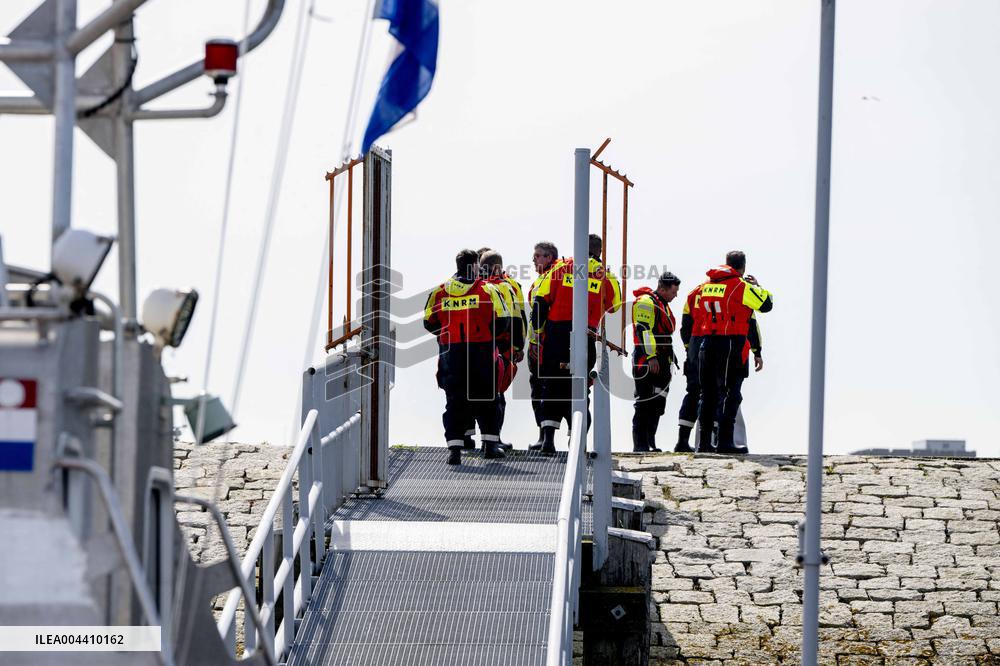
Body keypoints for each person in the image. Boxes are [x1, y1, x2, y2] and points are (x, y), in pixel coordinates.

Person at [531, 234, 621, 454]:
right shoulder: (605, 275)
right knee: (580, 389)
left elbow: (540, 301)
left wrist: (540, 333)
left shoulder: (561, 268)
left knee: (552, 386)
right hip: (586, 333)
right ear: (599, 251)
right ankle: (576, 442)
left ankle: (548, 442)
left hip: (556, 333)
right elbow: (615, 305)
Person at [423, 249, 510, 465]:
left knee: (455, 401)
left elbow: (428, 322)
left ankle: (454, 449)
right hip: (481, 351)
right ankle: (490, 446)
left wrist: (448, 333)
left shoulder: (440, 291)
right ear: (474, 266)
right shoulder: (487, 289)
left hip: (451, 353)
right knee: (487, 398)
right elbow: (503, 320)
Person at [695, 250, 773, 455]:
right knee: (731, 393)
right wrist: (756, 286)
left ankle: (704, 443)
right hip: (730, 343)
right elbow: (766, 304)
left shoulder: (706, 286)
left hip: (707, 342)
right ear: (743, 267)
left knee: (708, 393)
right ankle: (725, 441)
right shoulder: (741, 286)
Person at [479, 249, 526, 450]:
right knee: (497, 394)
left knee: (476, 392)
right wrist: (518, 346)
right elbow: (519, 318)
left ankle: (471, 440)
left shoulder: (476, 286)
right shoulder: (509, 287)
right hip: (502, 346)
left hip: (476, 345)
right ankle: (493, 439)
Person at [631, 272, 681, 452]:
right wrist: (651, 357)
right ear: (662, 288)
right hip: (647, 359)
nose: (676, 296)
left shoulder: (663, 305)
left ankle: (651, 442)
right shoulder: (646, 302)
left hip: (663, 359)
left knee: (658, 403)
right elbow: (643, 330)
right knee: (644, 402)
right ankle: (640, 445)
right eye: (674, 292)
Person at [526, 241, 562, 449]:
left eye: (538, 255)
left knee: (546, 390)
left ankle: (546, 438)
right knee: (538, 391)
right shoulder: (542, 279)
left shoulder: (552, 278)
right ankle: (543, 436)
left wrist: (538, 340)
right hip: (537, 343)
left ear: (549, 258)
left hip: (546, 344)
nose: (533, 260)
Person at [675, 278, 706, 453]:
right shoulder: (732, 289)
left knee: (692, 393)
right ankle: (709, 441)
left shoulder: (694, 293)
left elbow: (685, 326)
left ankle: (682, 441)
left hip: (694, 346)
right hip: (714, 344)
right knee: (715, 394)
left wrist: (689, 350)